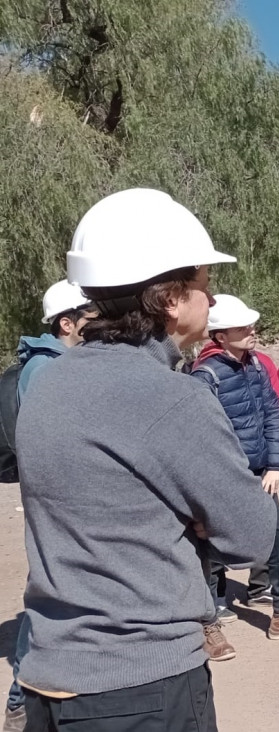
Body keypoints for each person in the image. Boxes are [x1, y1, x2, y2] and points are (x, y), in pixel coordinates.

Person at [14, 188, 278, 730]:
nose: (211, 301)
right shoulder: (172, 398)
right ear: (170, 299)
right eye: (206, 286)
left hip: (47, 675)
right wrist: (194, 518)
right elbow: (252, 536)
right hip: (142, 688)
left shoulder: (45, 384)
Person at [191, 294, 279, 654]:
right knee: (208, 549)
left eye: (251, 325)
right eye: (243, 327)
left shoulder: (254, 366)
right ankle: (207, 624)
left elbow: (272, 414)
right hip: (222, 479)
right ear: (220, 336)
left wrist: (274, 465)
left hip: (260, 476)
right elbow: (202, 436)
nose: (252, 331)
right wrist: (227, 477)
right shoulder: (205, 375)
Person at [4, 281, 95, 731]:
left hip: (67, 498)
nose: (97, 319)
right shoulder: (45, 370)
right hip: (57, 501)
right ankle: (20, 698)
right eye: (89, 314)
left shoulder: (61, 363)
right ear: (66, 322)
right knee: (48, 594)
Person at [15, 280, 94, 403]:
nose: (101, 323)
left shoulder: (62, 360)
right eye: (93, 319)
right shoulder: (44, 366)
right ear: (66, 325)